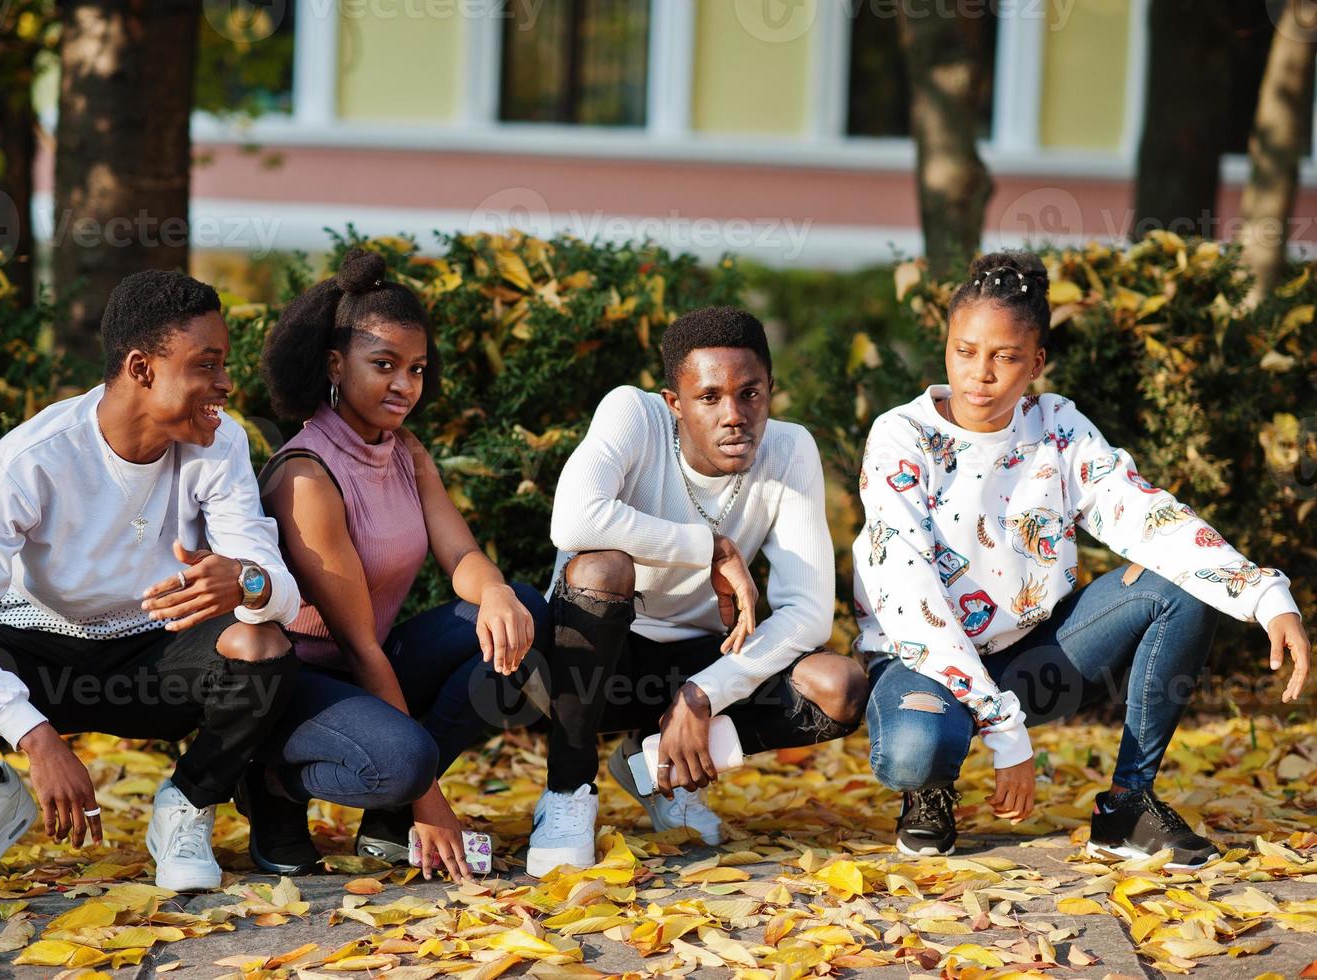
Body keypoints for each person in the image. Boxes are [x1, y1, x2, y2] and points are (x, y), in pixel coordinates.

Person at [854, 251, 1310, 867]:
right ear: (946, 347)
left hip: (1033, 657)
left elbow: (1146, 514)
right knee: (914, 752)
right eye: (965, 351)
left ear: (1036, 362)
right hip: (922, 663)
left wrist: (1262, 594)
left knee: (1174, 587)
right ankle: (930, 789)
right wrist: (1004, 729)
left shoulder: (1058, 428)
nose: (980, 374)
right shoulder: (901, 437)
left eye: (1005, 357)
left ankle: (1127, 805)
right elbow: (907, 592)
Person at [0, 270, 302, 891]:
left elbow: (279, 591)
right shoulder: (34, 457)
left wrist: (247, 584)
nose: (225, 384)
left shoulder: (219, 442)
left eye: (224, 365)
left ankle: (189, 802)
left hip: (155, 652)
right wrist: (34, 737)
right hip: (36, 651)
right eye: (207, 365)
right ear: (142, 368)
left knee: (263, 646)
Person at [527, 306, 870, 878]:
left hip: (697, 664)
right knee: (602, 569)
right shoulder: (632, 413)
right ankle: (567, 792)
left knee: (841, 685)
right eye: (709, 397)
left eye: (750, 393)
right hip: (593, 666)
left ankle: (660, 766)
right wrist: (709, 547)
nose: (734, 415)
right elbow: (572, 520)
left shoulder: (790, 449)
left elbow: (809, 613)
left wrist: (703, 693)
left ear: (770, 392)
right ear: (674, 402)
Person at [249, 247, 547, 882]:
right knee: (406, 762)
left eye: (416, 368)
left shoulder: (405, 450)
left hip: (372, 665)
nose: (404, 386)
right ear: (335, 363)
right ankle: (274, 786)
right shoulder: (307, 474)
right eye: (383, 365)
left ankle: (389, 812)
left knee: (523, 618)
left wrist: (493, 591)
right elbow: (357, 645)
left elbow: (460, 552)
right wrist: (433, 804)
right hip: (294, 686)